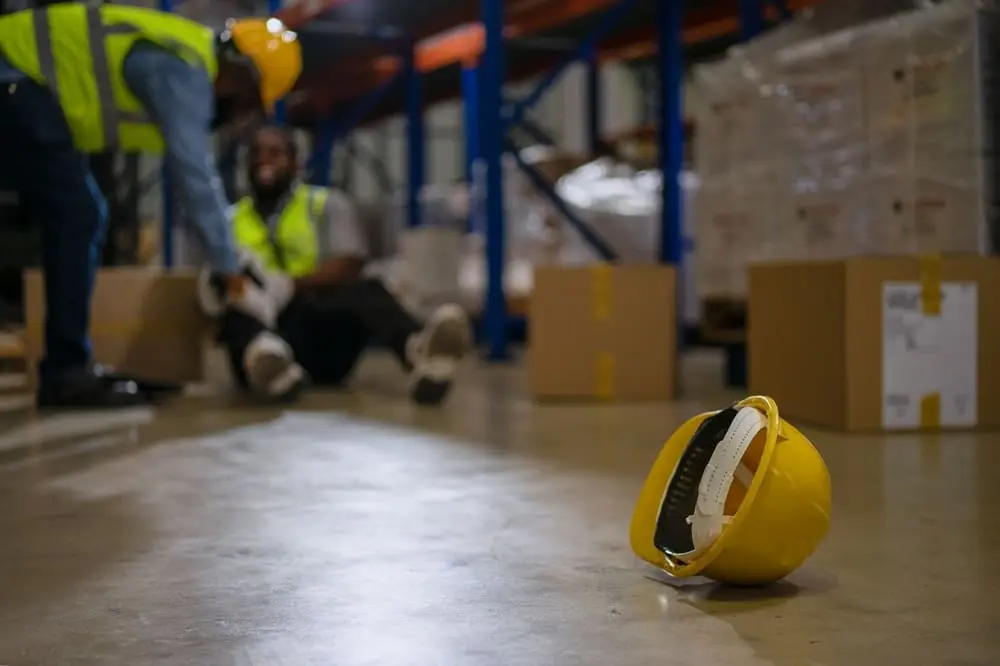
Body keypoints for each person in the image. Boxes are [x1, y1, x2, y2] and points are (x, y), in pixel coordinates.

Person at [0, 2, 301, 408]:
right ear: (239, 76)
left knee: (80, 213)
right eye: (248, 100)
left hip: (19, 79)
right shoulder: (184, 69)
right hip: (16, 76)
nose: (238, 113)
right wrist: (232, 272)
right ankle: (66, 373)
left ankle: (67, 367)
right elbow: (195, 178)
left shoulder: (180, 54)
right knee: (78, 215)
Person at [202, 125, 471, 405]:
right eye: (256, 154)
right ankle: (267, 360)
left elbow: (349, 262)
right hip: (256, 329)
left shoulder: (326, 204)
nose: (263, 161)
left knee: (367, 290)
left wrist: (289, 285)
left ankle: (420, 352)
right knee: (234, 304)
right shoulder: (229, 221)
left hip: (316, 332)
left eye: (275, 153)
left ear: (296, 164)